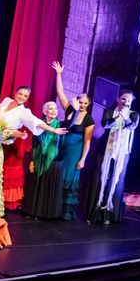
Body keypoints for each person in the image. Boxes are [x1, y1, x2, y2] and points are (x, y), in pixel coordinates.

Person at [0, 84, 68, 212]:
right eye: (20, 94)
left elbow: (37, 122)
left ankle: (1, 202)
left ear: (28, 98)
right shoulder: (6, 101)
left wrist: (54, 130)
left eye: (25, 96)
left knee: (3, 171)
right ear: (15, 92)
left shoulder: (24, 112)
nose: (22, 97)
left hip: (8, 144)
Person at [81, 86, 140, 225]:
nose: (126, 102)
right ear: (118, 99)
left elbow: (131, 127)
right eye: (123, 99)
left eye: (129, 100)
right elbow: (105, 125)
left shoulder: (134, 114)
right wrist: (116, 118)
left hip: (122, 152)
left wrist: (125, 118)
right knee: (99, 177)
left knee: (115, 180)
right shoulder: (109, 111)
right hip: (105, 149)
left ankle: (108, 213)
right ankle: (93, 213)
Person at [51, 62, 94, 221]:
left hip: (75, 153)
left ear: (88, 105)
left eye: (85, 103)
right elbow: (60, 91)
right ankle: (53, 208)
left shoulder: (89, 120)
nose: (82, 105)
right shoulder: (70, 110)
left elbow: (87, 141)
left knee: (70, 178)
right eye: (80, 102)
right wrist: (59, 74)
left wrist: (83, 159)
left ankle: (65, 211)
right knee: (58, 176)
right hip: (61, 148)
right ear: (76, 101)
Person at [21, 100, 64, 219]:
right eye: (50, 109)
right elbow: (34, 143)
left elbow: (61, 144)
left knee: (46, 186)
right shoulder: (39, 123)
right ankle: (31, 211)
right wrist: (32, 160)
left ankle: (43, 213)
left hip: (53, 160)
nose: (54, 111)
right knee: (35, 185)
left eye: (55, 109)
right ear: (44, 111)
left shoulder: (59, 125)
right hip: (38, 157)